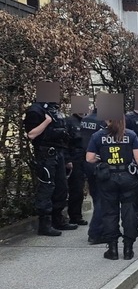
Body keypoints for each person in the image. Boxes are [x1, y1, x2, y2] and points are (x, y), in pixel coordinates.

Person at [86, 115, 138, 260]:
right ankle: (128, 249)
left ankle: (113, 250)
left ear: (107, 119)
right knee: (129, 212)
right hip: (128, 177)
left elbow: (89, 158)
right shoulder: (130, 135)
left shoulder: (98, 136)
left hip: (107, 178)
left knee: (109, 213)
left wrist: (102, 157)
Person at [23, 101, 78, 236]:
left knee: (61, 187)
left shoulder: (54, 109)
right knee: (47, 188)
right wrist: (47, 122)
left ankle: (58, 219)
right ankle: (45, 224)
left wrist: (66, 158)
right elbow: (31, 134)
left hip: (58, 153)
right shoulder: (35, 110)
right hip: (44, 154)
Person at [79, 108, 106, 244]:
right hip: (98, 163)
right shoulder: (103, 122)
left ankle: (99, 229)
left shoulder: (85, 120)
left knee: (96, 197)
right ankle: (96, 233)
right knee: (103, 199)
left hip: (87, 162)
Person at [66, 108, 89, 226]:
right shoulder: (69, 121)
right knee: (76, 189)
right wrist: (68, 159)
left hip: (89, 157)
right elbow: (65, 142)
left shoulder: (88, 121)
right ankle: (75, 216)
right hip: (76, 158)